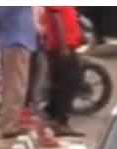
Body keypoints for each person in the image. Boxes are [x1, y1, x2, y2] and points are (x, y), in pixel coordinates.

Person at [0, 6, 37, 138]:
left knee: (11, 85)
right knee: (16, 86)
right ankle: (10, 125)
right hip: (18, 42)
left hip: (7, 41)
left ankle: (10, 121)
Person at [42, 6, 86, 137]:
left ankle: (55, 118)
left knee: (63, 83)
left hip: (65, 45)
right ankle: (60, 121)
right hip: (61, 47)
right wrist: (63, 46)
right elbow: (56, 18)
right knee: (69, 84)